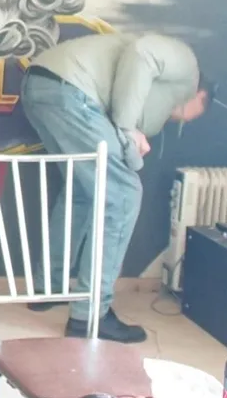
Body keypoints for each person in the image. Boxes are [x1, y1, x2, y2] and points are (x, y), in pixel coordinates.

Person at [21, 33, 211, 343]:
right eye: (192, 114)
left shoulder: (146, 93)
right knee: (124, 196)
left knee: (82, 191)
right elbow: (143, 51)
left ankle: (50, 288)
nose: (182, 120)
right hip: (73, 90)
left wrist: (129, 137)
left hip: (41, 85)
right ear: (200, 93)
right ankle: (90, 315)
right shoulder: (187, 66)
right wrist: (126, 129)